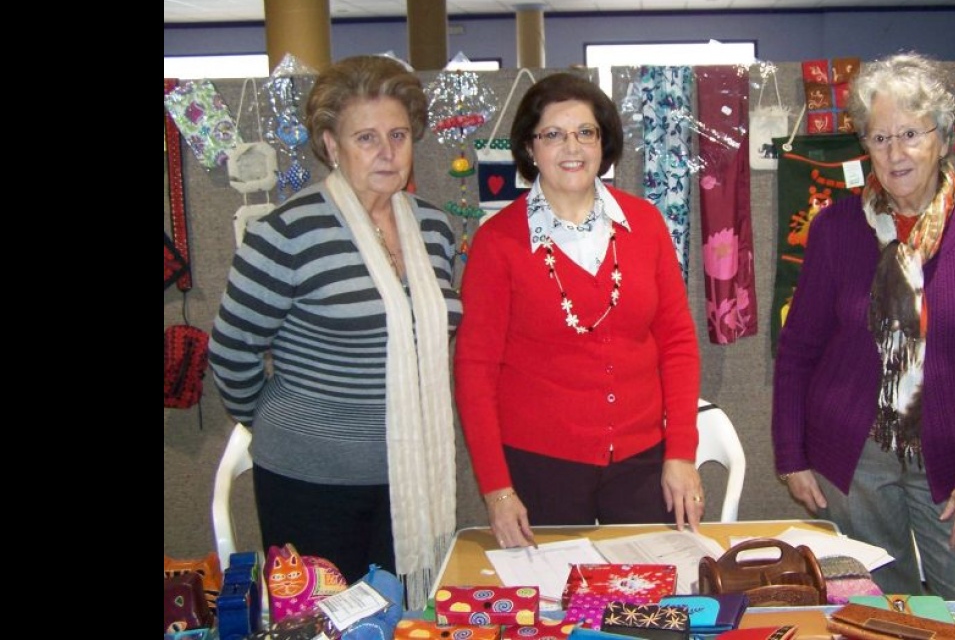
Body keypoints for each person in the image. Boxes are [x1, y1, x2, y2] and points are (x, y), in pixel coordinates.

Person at [771, 52, 955, 600]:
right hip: (853, 459)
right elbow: (799, 349)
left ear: (941, 137)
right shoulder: (835, 228)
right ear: (864, 145)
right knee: (873, 611)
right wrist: (791, 454)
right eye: (879, 137)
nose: (895, 154)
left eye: (910, 134)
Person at [208, 55, 462, 610]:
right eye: (365, 137)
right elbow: (231, 350)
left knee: (405, 619)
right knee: (324, 621)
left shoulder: (436, 229)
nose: (386, 151)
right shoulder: (287, 232)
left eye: (397, 134)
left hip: (412, 478)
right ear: (330, 144)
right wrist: (292, 423)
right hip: (310, 481)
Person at [454, 72, 705, 548]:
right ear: (530, 148)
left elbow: (677, 344)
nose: (572, 147)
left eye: (585, 132)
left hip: (642, 460)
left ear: (603, 142)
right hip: (539, 467)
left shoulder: (645, 225)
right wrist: (497, 489)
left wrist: (681, 453)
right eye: (552, 134)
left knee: (651, 601)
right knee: (551, 611)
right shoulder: (498, 241)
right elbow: (475, 370)